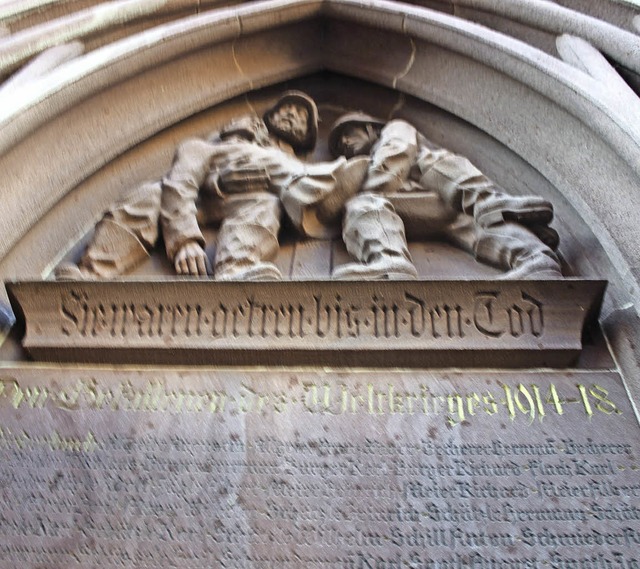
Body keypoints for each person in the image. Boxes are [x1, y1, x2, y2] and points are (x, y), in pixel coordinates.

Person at [56, 92, 367, 281]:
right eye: (286, 109)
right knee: (149, 196)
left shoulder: (291, 162)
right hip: (198, 204)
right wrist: (184, 240)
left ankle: (237, 270)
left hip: (262, 200)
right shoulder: (204, 148)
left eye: (301, 116)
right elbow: (179, 183)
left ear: (306, 136)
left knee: (266, 205)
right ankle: (90, 274)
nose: (290, 114)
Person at [326, 113, 563, 279]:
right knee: (473, 226)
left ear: (369, 128)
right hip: (431, 205)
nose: (344, 142)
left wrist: (364, 193)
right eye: (339, 143)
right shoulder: (368, 162)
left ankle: (389, 262)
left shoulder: (394, 129)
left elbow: (395, 157)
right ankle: (536, 259)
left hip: (441, 190)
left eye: (348, 134)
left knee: (364, 203)